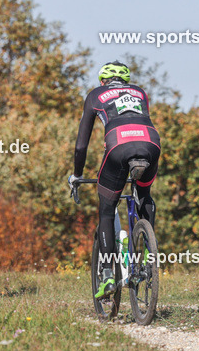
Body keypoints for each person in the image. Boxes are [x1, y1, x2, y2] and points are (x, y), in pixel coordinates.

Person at [69, 62, 161, 299]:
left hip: (118, 145)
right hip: (150, 143)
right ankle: (150, 255)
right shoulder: (139, 92)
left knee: (107, 209)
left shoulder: (95, 95)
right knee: (144, 194)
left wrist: (77, 174)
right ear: (126, 80)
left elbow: (81, 146)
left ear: (102, 81)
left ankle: (108, 275)